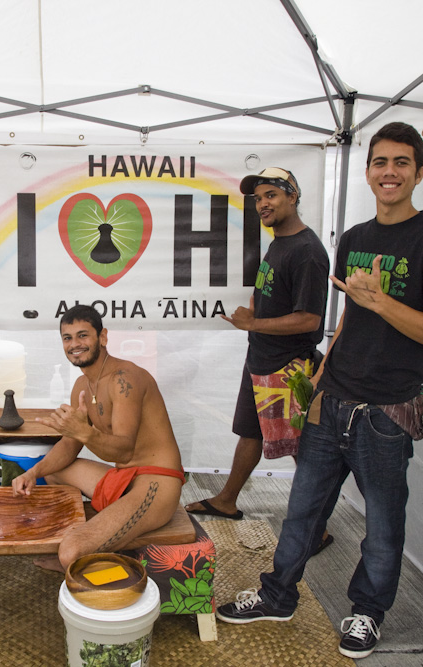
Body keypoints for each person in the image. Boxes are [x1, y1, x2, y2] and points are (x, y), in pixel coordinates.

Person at [216, 122, 423, 661]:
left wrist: (384, 304)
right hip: (333, 403)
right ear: (369, 172)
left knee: (381, 524)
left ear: (419, 173)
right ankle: (279, 594)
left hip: (388, 414)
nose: (389, 172)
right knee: (302, 511)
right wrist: (320, 388)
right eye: (380, 163)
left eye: (401, 163)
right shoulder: (353, 240)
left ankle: (366, 614)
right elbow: (348, 321)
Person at [184, 166, 333, 555]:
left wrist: (256, 322)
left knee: (303, 449)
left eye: (272, 195)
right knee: (249, 431)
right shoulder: (279, 242)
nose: (263, 204)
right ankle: (227, 500)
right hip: (262, 359)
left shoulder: (308, 252)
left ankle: (317, 530)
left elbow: (310, 319)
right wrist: (255, 318)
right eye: (258, 198)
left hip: (288, 368)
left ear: (293, 196)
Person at [12, 305, 185, 572]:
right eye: (67, 338)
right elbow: (70, 445)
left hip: (157, 484)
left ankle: (103, 560)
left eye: (83, 335)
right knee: (55, 471)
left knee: (70, 552)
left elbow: (124, 450)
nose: (75, 344)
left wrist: (83, 431)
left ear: (102, 337)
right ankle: (95, 539)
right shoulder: (82, 385)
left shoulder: (124, 379)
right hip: (124, 480)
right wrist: (33, 472)